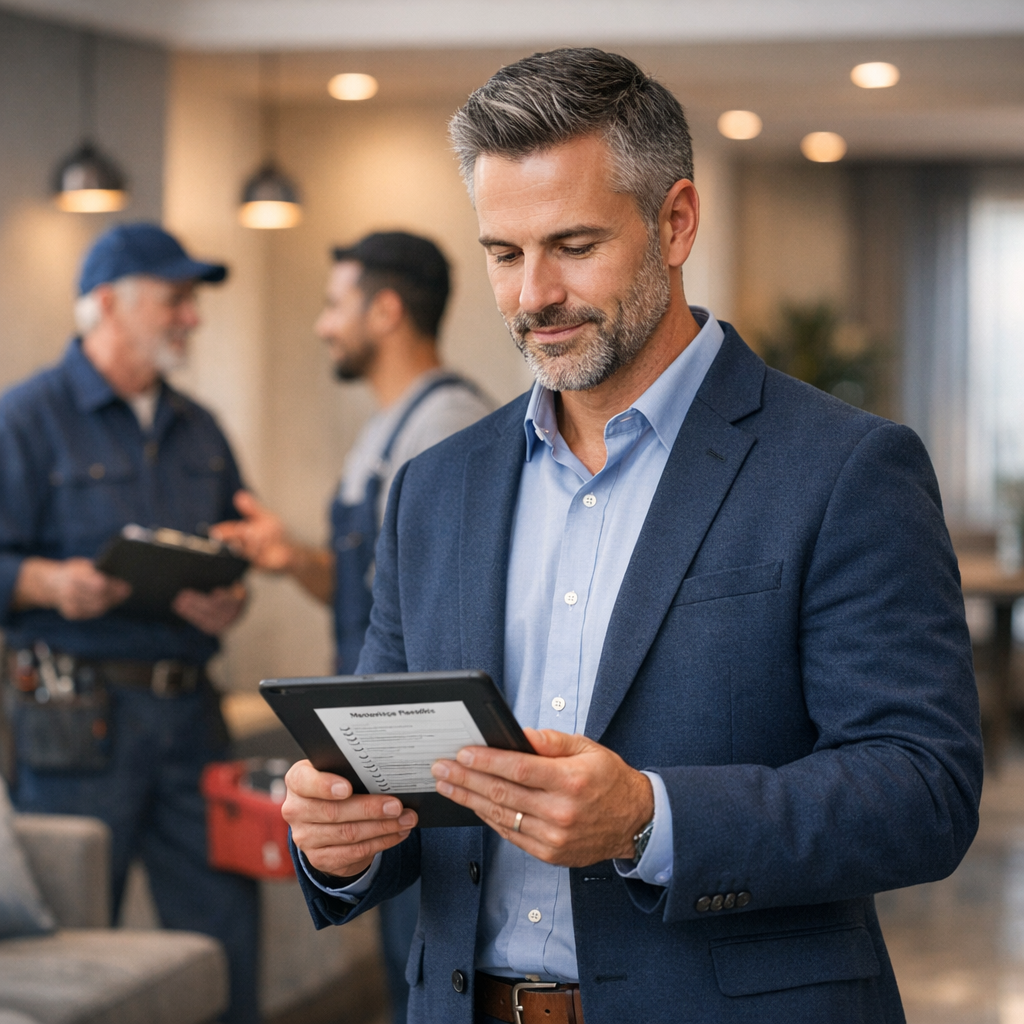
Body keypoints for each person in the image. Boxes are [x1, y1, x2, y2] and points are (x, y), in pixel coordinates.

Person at [282, 49, 983, 1024]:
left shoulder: (844, 468)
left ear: (676, 221)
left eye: (572, 245)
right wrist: (338, 840)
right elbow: (399, 783)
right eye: (503, 252)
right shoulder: (433, 489)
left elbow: (923, 789)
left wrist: (649, 819)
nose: (532, 295)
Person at [212, 231, 493, 1024]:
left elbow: (451, 623)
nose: (322, 324)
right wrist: (290, 557)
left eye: (334, 305)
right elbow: (383, 600)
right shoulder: (385, 429)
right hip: (383, 749)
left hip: (421, 760)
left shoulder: (444, 431)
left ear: (387, 309)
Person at [0, 223, 259, 1024]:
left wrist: (230, 596)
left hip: (191, 715)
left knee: (226, 937)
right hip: (78, 723)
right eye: (174, 299)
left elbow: (232, 548)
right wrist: (44, 581)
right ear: (106, 304)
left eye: (192, 301)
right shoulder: (26, 418)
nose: (192, 317)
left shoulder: (202, 428)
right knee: (70, 947)